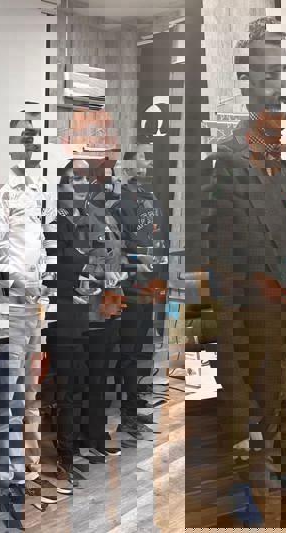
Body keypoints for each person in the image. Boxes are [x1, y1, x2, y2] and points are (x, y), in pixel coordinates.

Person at [200, 16, 286, 527]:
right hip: (249, 316)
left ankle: (283, 468)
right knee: (244, 405)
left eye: (284, 74)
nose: (280, 87)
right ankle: (240, 487)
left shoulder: (279, 162)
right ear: (249, 82)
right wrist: (229, 328)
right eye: (270, 74)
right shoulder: (228, 163)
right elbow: (222, 257)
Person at [48, 158, 127, 496]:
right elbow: (53, 272)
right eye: (73, 180)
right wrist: (80, 283)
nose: (80, 187)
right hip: (64, 316)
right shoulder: (53, 226)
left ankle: (81, 446)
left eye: (83, 180)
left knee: (86, 382)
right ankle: (65, 461)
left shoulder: (87, 220)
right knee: (68, 390)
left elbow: (98, 261)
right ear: (62, 186)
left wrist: (99, 281)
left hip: (87, 314)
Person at [0, 104, 55, 519]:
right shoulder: (5, 193)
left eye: (34, 138)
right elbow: (0, 252)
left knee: (31, 395)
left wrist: (44, 288)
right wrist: (20, 284)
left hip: (37, 306)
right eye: (23, 138)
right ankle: (6, 480)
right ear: (13, 145)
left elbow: (46, 246)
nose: (29, 145)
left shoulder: (40, 191)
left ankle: (30, 473)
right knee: (10, 398)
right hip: (15, 306)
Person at [116, 145, 168, 438]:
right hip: (130, 286)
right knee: (128, 352)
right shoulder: (119, 198)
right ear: (128, 163)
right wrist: (137, 262)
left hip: (150, 285)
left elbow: (161, 238)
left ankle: (137, 405)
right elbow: (120, 243)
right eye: (142, 157)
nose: (148, 162)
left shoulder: (151, 197)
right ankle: (127, 414)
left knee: (143, 349)